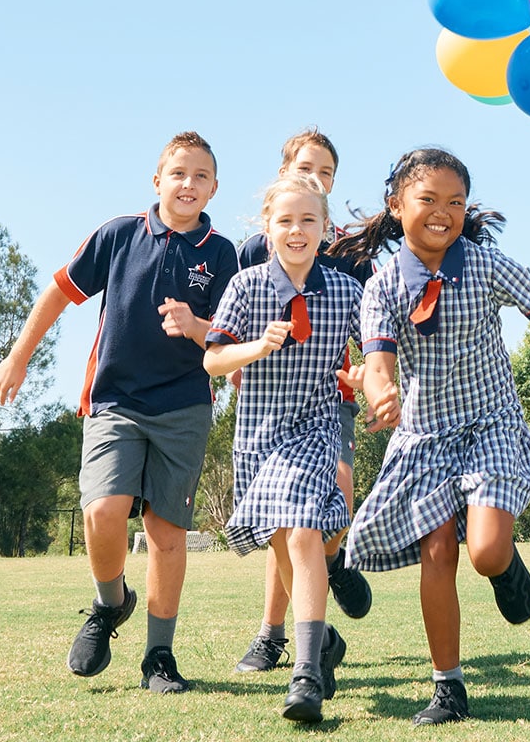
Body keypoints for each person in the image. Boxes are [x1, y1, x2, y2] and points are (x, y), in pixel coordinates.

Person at [338, 147, 530, 725]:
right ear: (396, 204)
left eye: (455, 202)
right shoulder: (381, 288)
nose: (443, 212)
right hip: (425, 439)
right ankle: (448, 686)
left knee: (482, 551)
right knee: (437, 551)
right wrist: (381, 392)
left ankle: (505, 566)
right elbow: (378, 358)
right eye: (428, 199)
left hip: (491, 425)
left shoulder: (482, 264)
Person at [0, 131, 238, 693]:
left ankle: (159, 659)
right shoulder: (119, 234)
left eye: (201, 176)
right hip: (114, 402)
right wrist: (18, 358)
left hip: (185, 407)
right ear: (157, 181)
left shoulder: (222, 255)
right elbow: (57, 292)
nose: (188, 184)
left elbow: (228, 341)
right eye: (178, 173)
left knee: (167, 534)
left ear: (214, 187)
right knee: (102, 511)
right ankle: (109, 603)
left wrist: (199, 331)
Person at [204, 173, 361, 723]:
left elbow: (372, 352)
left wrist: (366, 376)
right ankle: (325, 643)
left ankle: (306, 673)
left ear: (324, 228)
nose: (297, 230)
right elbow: (213, 360)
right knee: (281, 544)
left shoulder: (345, 291)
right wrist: (256, 345)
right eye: (286, 220)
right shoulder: (246, 287)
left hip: (314, 427)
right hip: (256, 436)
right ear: (267, 228)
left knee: (301, 528)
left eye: (308, 220)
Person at [232, 129, 375, 674]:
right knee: (285, 522)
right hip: (266, 405)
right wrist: (239, 358)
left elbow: (375, 327)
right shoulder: (258, 249)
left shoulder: (346, 255)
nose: (316, 179)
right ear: (283, 170)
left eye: (327, 174)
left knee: (320, 507)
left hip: (328, 396)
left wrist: (372, 373)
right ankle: (275, 635)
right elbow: (227, 326)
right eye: (306, 167)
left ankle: (332, 562)